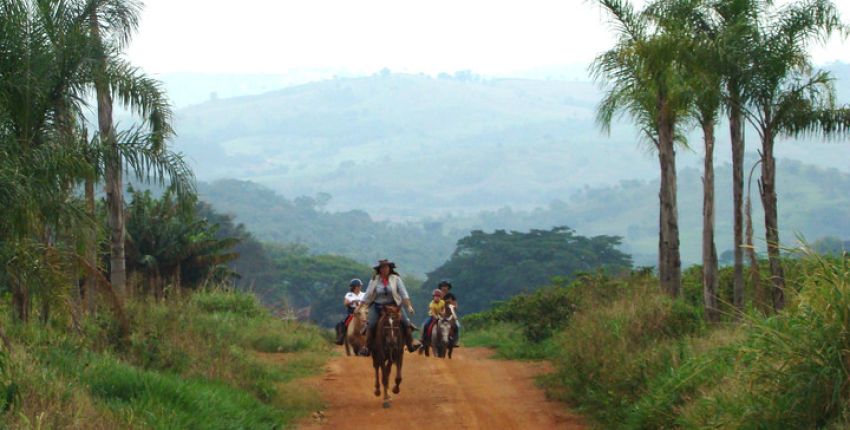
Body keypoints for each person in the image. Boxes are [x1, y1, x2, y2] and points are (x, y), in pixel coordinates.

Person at [359, 259, 417, 356]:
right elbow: (368, 293)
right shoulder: (374, 279)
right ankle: (367, 347)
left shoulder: (396, 279)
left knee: (405, 322)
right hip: (378, 306)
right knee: (371, 324)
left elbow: (404, 293)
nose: (385, 269)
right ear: (380, 269)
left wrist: (409, 306)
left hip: (394, 306)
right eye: (383, 267)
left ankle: (410, 343)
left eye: (386, 267)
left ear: (390, 268)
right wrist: (361, 306)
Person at [335, 279, 365, 345]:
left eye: (360, 286)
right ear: (354, 287)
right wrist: (352, 302)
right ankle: (341, 337)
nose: (360, 287)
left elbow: (367, 303)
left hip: (362, 311)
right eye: (358, 286)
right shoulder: (348, 294)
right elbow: (345, 303)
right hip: (352, 312)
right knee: (343, 323)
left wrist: (361, 304)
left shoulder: (364, 294)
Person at [438, 280, 460, 347]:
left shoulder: (452, 296)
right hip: (439, 315)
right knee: (428, 323)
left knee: (457, 325)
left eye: (446, 286)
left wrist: (451, 305)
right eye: (443, 286)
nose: (444, 288)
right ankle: (425, 339)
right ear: (440, 287)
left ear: (448, 288)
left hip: (450, 315)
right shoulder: (437, 295)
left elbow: (456, 306)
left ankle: (455, 341)